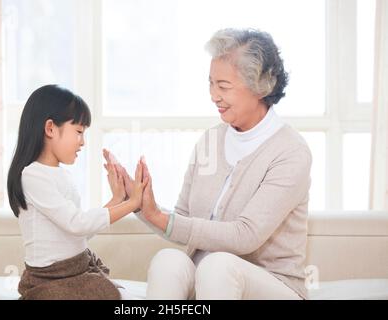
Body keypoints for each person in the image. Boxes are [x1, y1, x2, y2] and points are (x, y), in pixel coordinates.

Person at [104, 28, 312, 300]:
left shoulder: (290, 151)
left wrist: (160, 216)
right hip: (210, 279)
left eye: (223, 86)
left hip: (274, 286)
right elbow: (182, 222)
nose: (214, 95)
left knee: (218, 265)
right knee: (169, 260)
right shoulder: (210, 140)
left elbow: (245, 236)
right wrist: (139, 203)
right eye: (210, 83)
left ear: (260, 86)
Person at [7, 84, 148, 300]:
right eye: (79, 132)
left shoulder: (61, 175)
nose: (82, 142)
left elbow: (78, 230)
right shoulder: (33, 176)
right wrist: (132, 202)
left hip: (75, 270)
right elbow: (77, 223)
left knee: (114, 294)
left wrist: (118, 198)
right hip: (50, 279)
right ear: (50, 129)